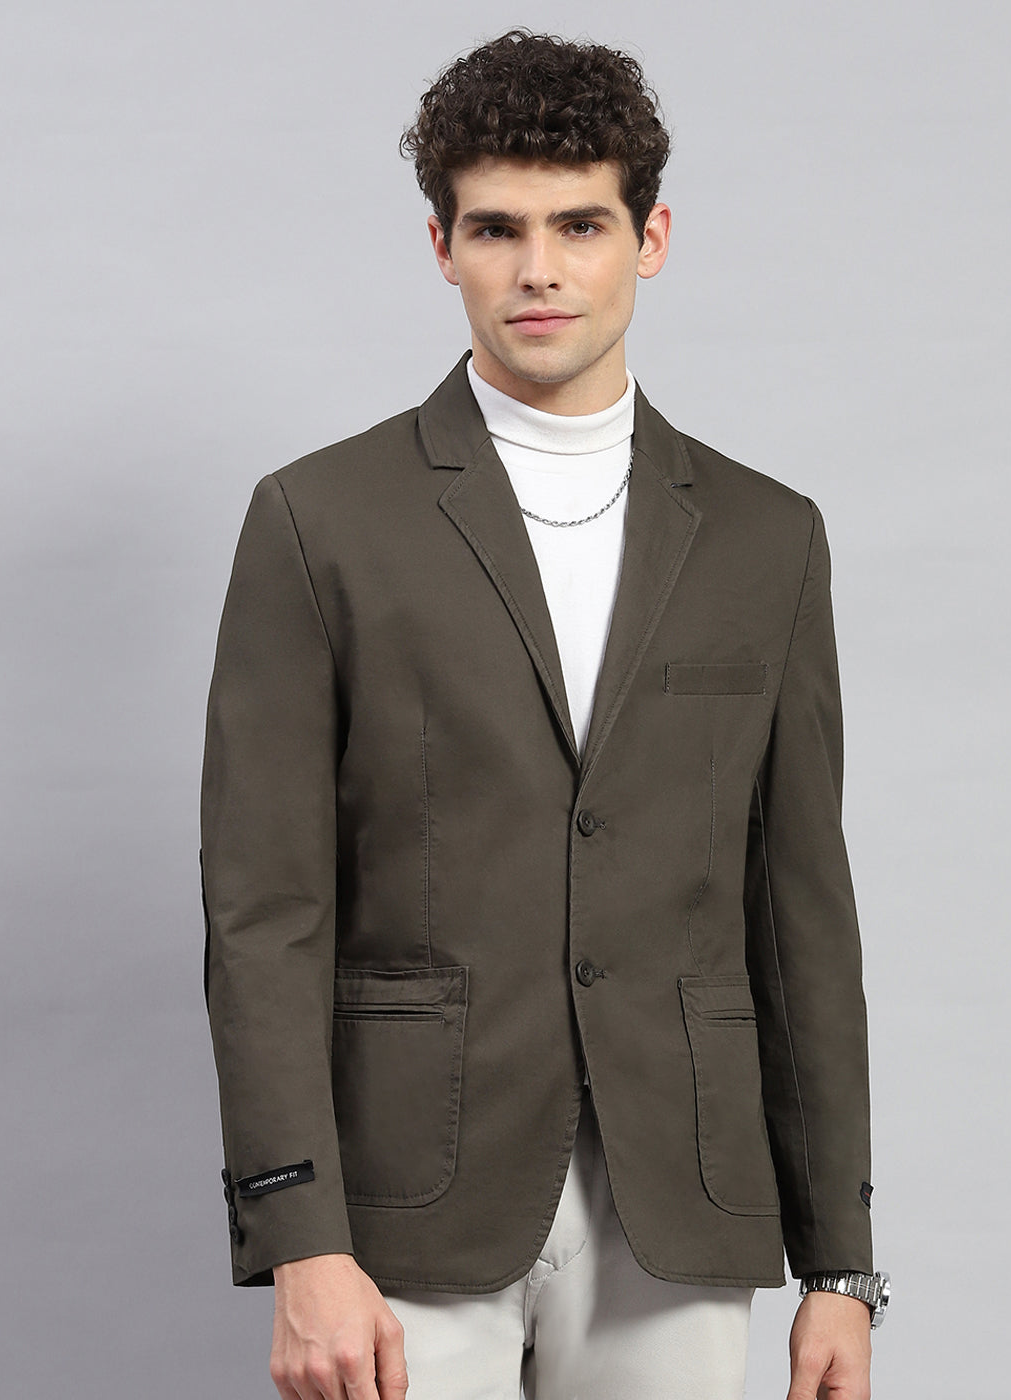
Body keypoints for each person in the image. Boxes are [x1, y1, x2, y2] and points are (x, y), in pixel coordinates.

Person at [201, 28, 889, 1400]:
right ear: (442, 247)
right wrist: (301, 1240)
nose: (539, 269)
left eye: (580, 224)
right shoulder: (319, 521)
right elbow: (263, 910)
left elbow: (799, 910)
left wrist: (841, 1265)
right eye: (497, 229)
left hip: (680, 1203)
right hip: (403, 1204)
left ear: (650, 238)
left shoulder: (767, 538)